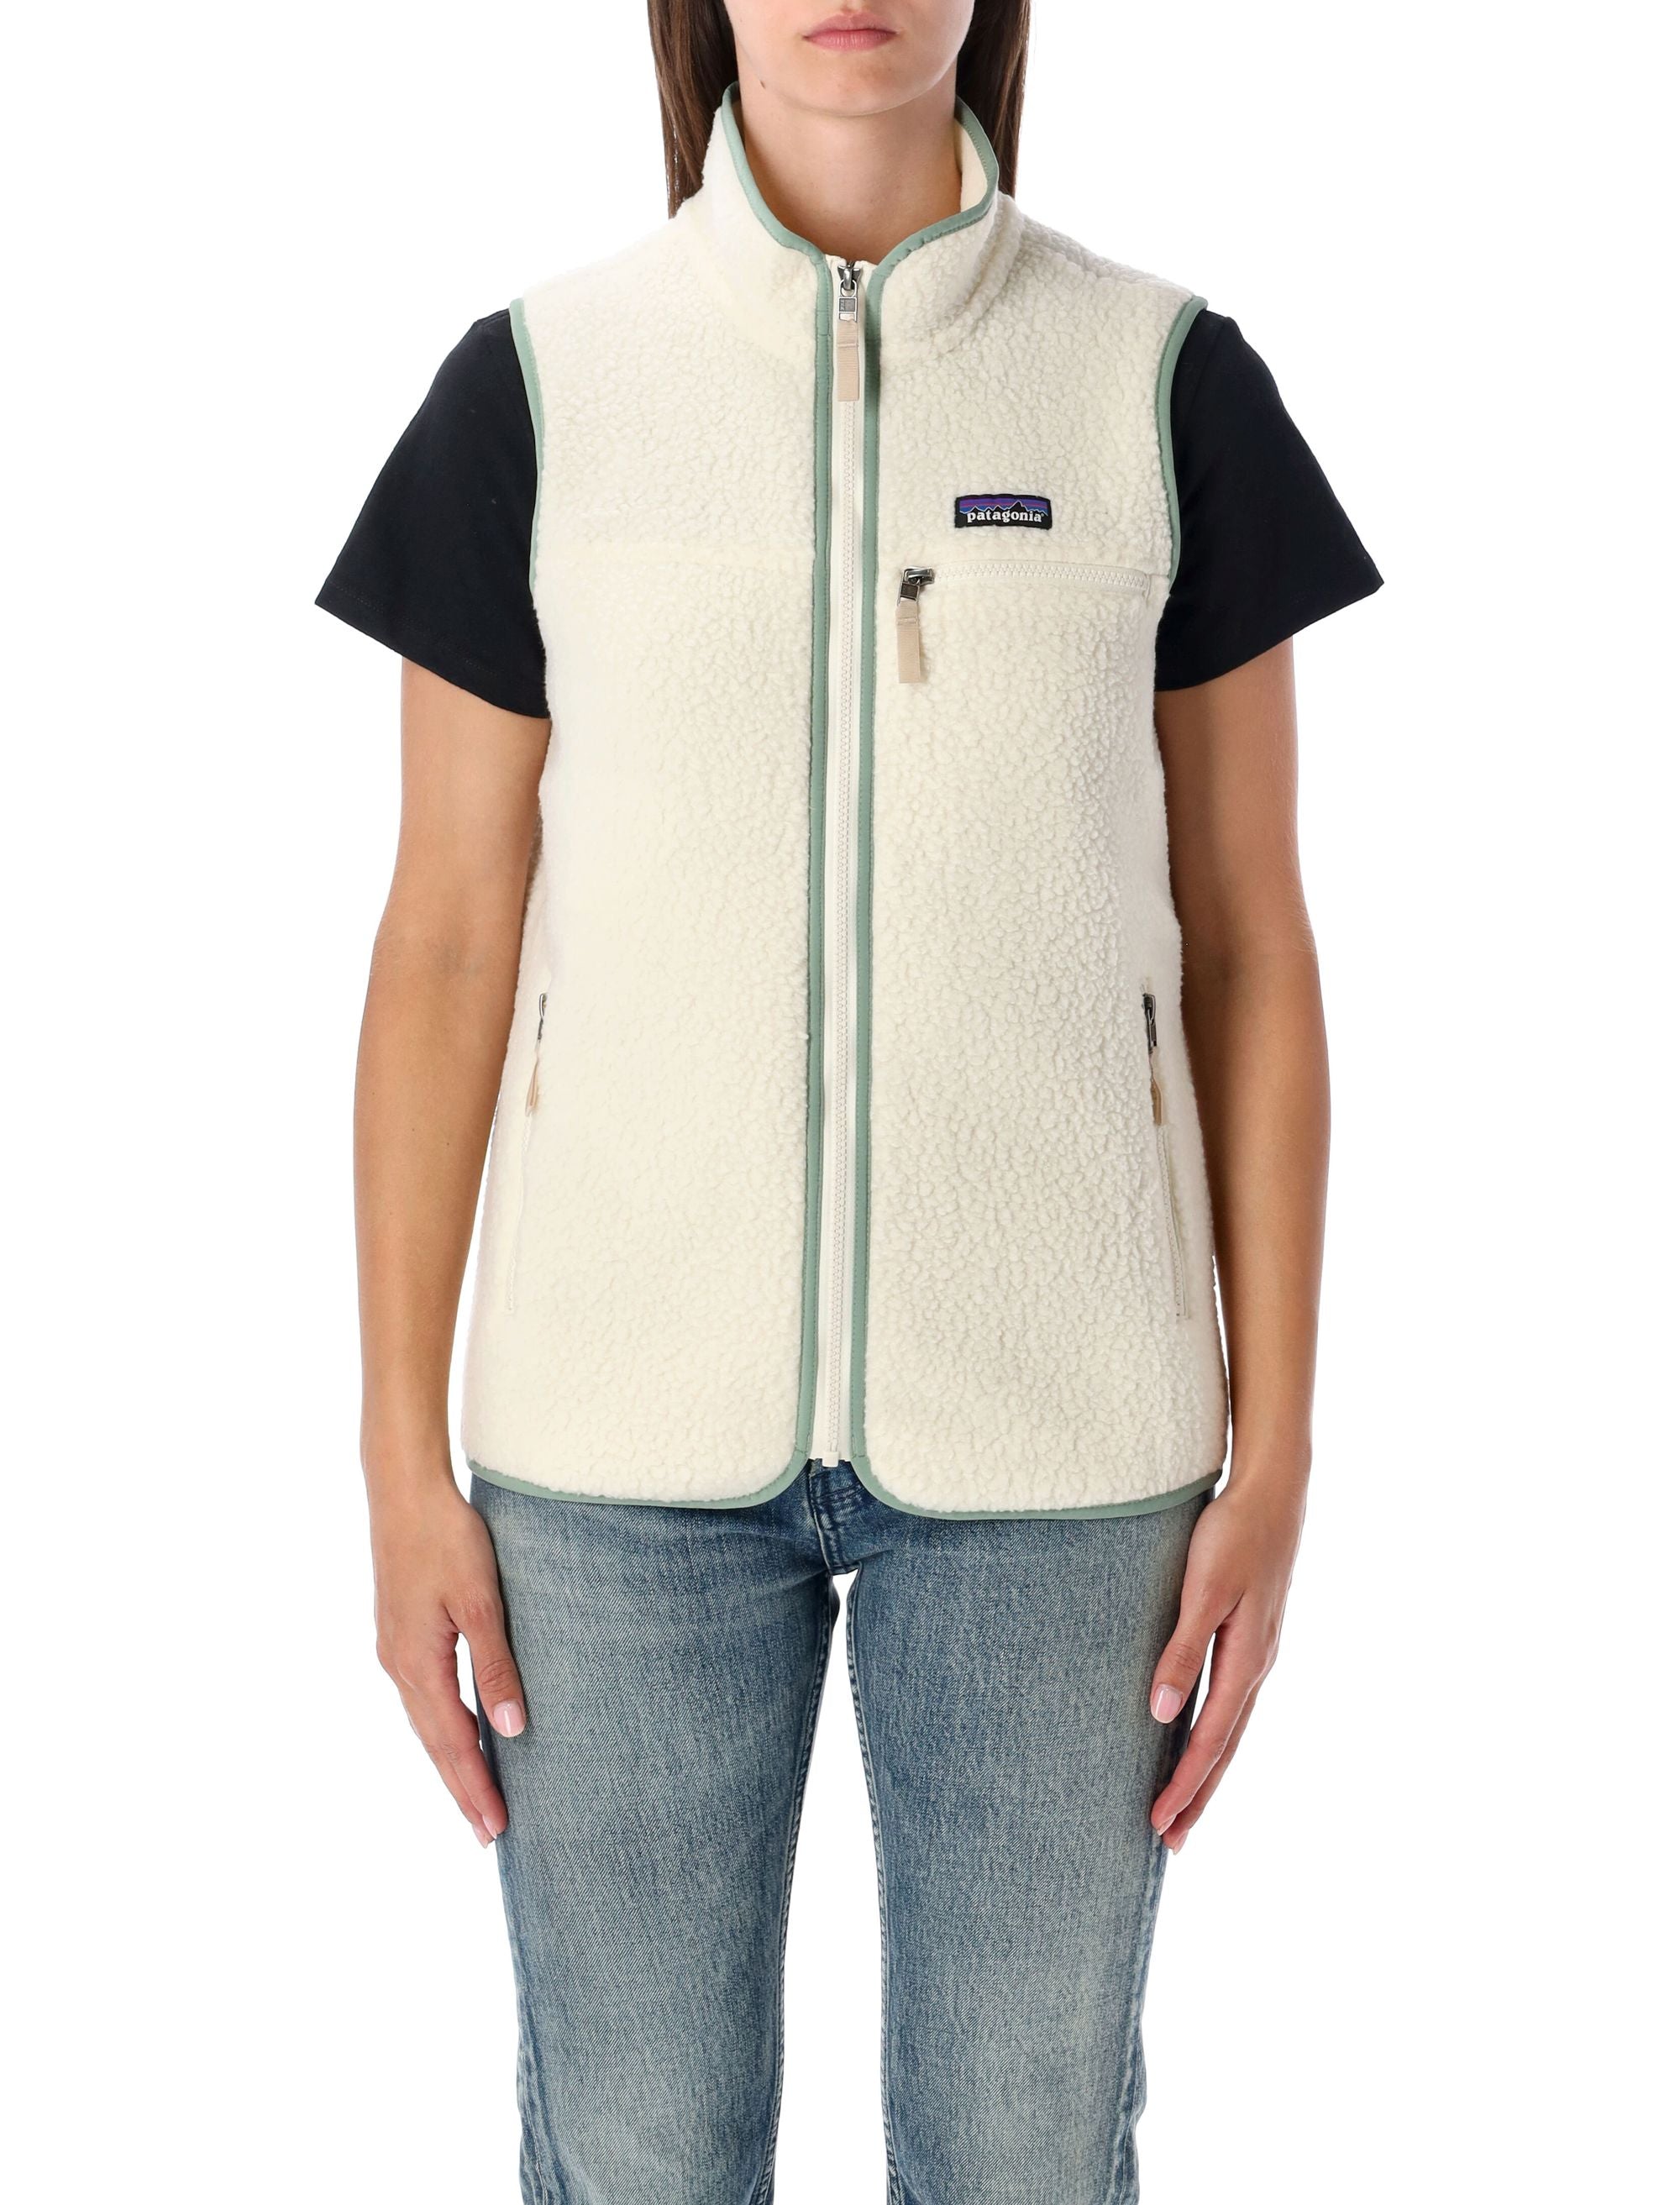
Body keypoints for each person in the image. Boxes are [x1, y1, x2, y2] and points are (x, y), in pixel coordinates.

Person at [317, 3, 1380, 2197]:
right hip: (609, 1459)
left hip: (1069, 1449)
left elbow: (1254, 941)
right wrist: (399, 1458)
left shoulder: (1160, 382)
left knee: (1024, 2159)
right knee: (638, 2161)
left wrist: (1277, 1442)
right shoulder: (540, 388)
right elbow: (441, 946)